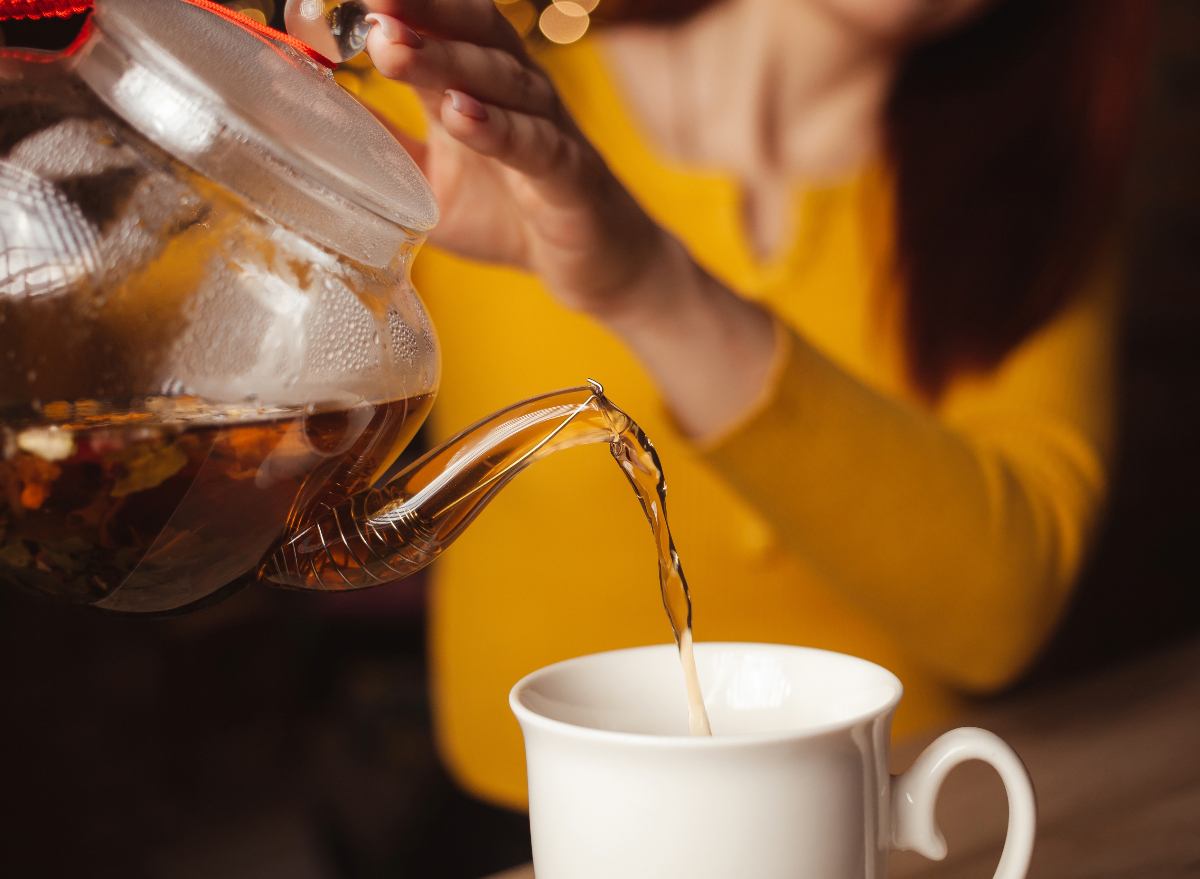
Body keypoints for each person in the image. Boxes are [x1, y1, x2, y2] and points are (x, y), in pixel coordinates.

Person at [334, 0, 1152, 808]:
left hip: (881, 826)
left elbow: (1000, 610)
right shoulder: (474, 101)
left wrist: (649, 285)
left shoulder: (1036, 198)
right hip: (524, 826)